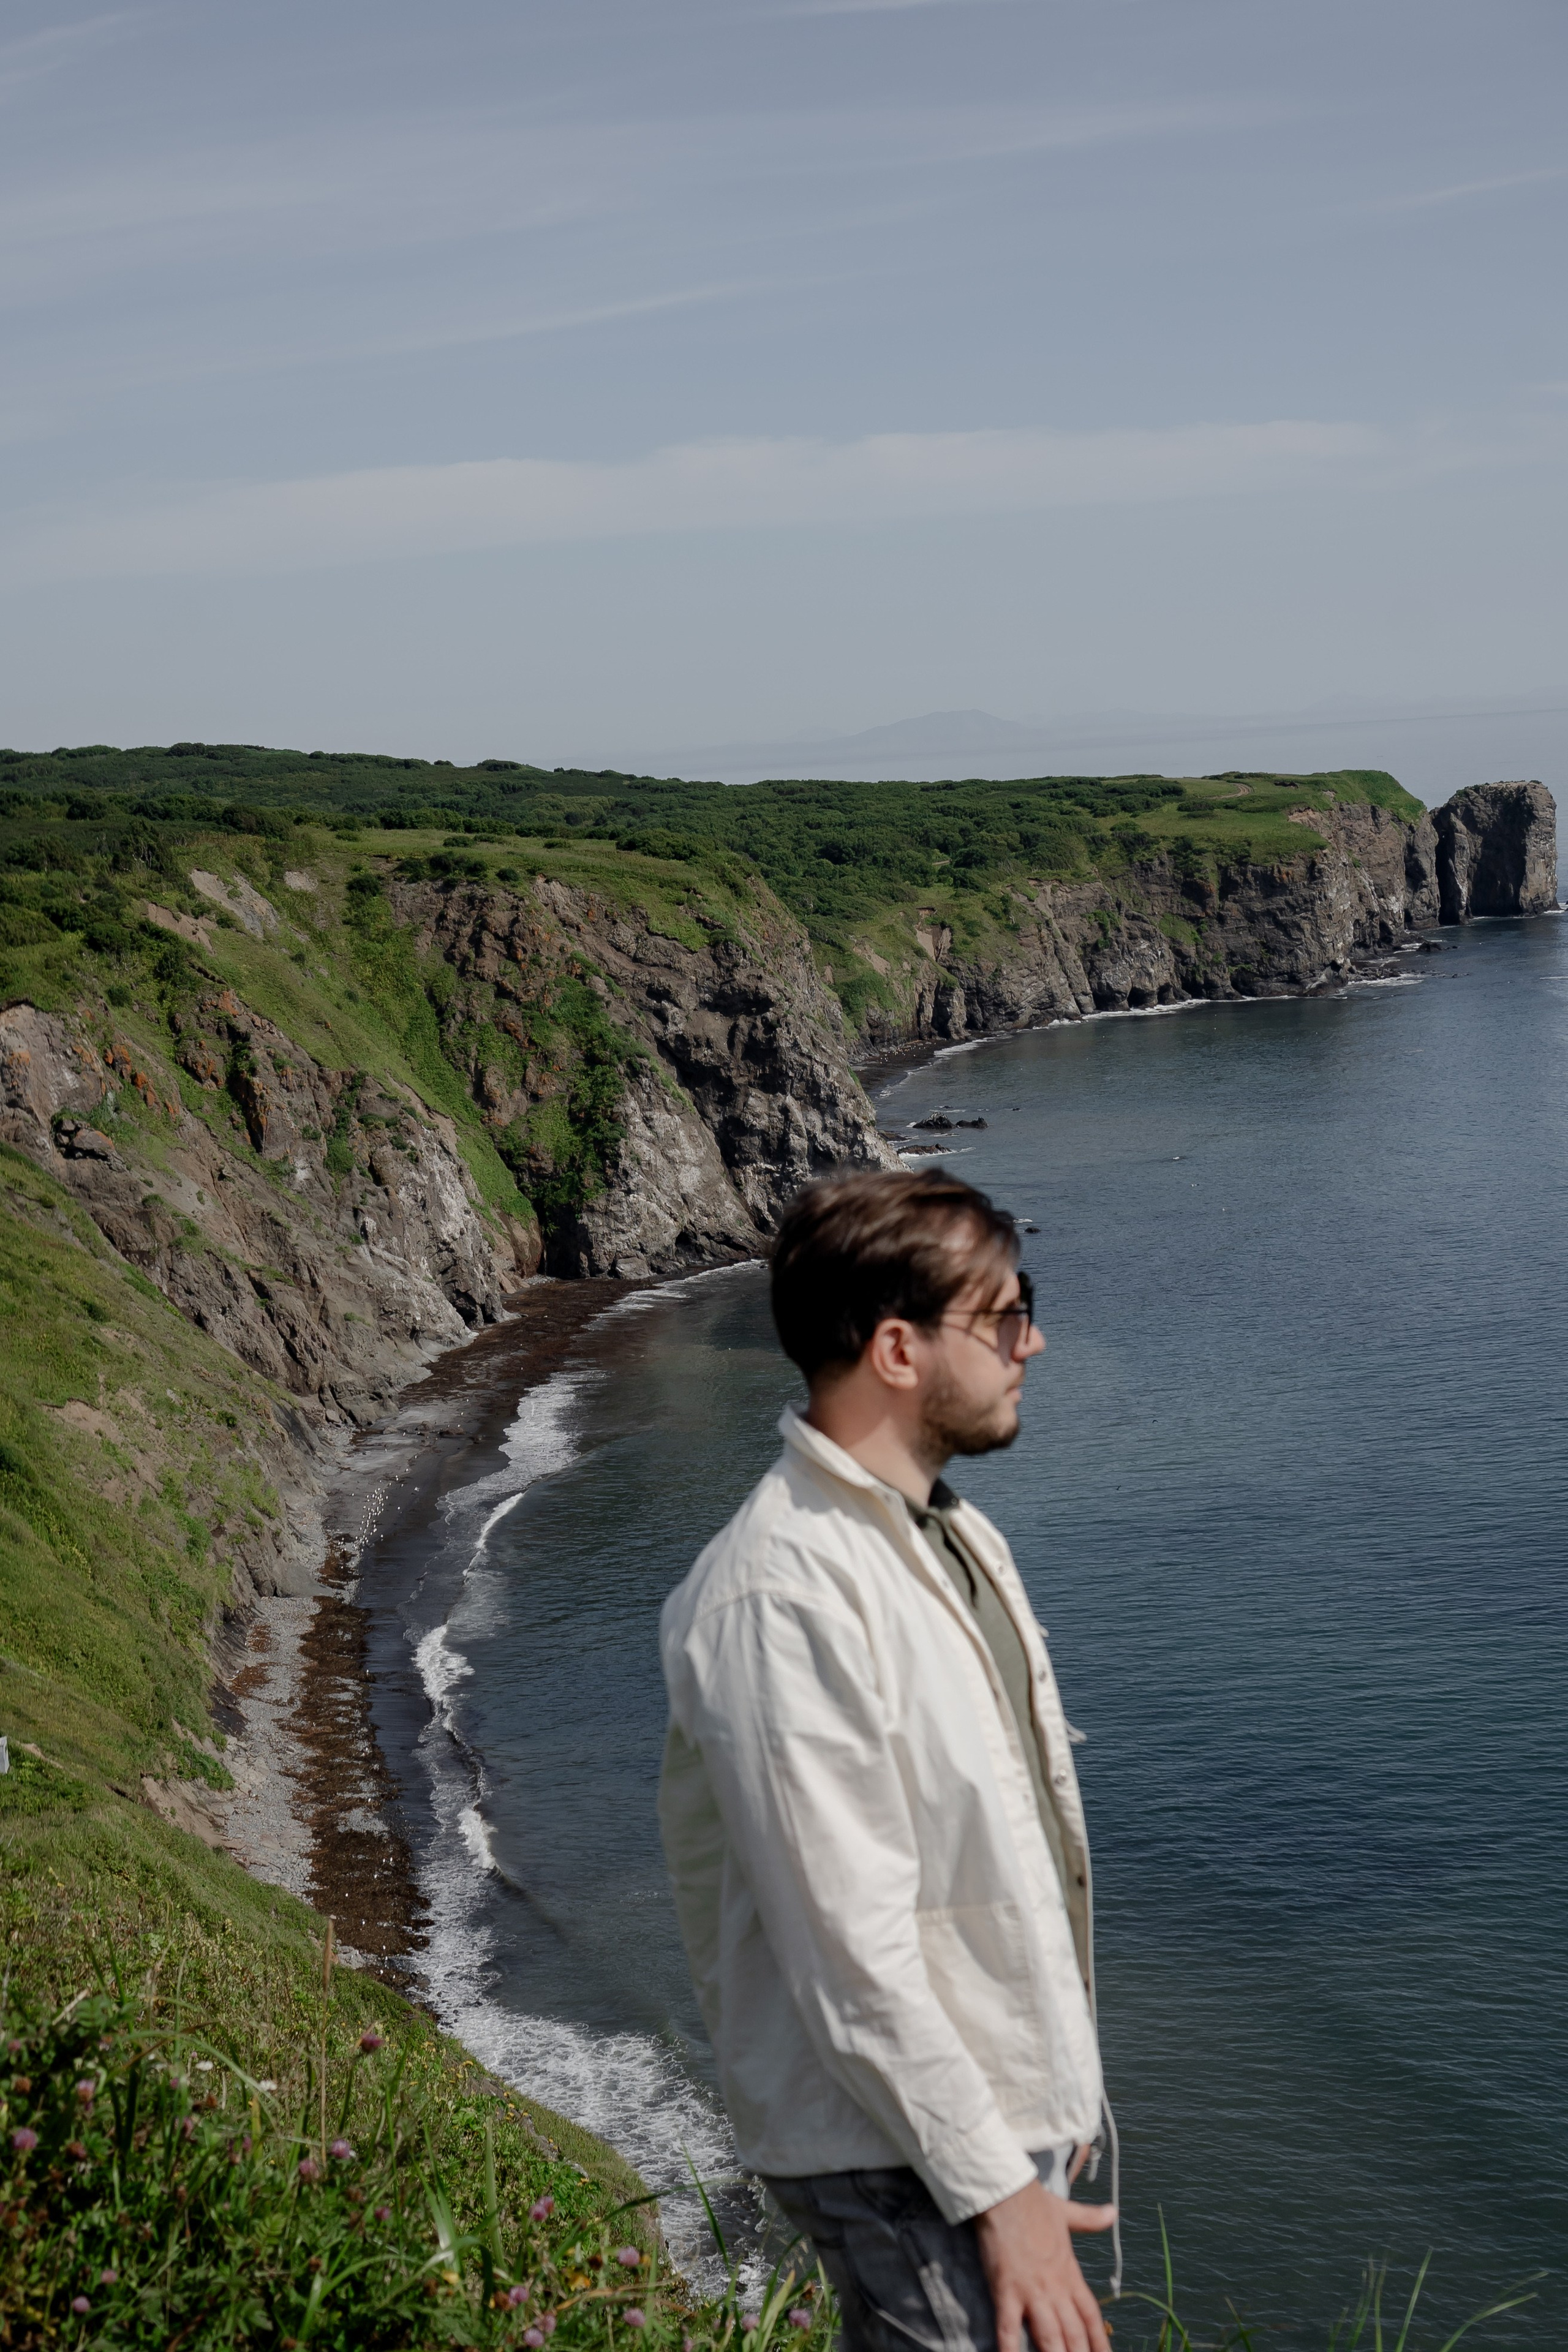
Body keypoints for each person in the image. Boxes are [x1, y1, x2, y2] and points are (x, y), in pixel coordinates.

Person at [658, 1168, 1118, 2352]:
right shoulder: (778, 1595)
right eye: (1005, 1316)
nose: (1036, 1341)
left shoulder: (949, 1534)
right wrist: (996, 2188)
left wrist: (1048, 2099)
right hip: (899, 2153)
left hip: (960, 2131)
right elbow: (846, 1952)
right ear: (899, 1351)